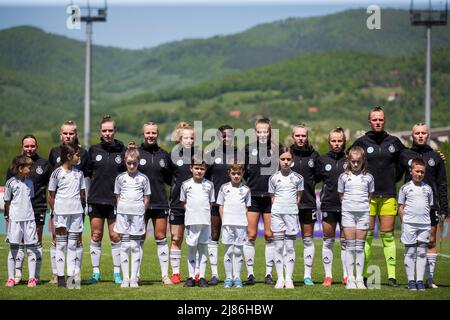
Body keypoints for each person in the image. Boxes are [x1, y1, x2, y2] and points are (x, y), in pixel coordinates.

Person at [350, 105, 405, 287]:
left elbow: (407, 159)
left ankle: (391, 277)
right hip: (368, 197)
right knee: (366, 237)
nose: (378, 122)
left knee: (388, 236)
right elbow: (348, 162)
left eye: (380, 119)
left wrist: (392, 178)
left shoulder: (394, 142)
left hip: (388, 194)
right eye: (374, 119)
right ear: (369, 121)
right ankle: (363, 276)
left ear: (384, 120)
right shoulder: (361, 142)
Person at [399, 123, 448, 288]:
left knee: (430, 242)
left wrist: (444, 207)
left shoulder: (435, 156)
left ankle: (429, 279)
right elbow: (392, 171)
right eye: (417, 133)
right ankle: (413, 280)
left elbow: (442, 183)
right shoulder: (404, 154)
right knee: (412, 245)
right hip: (411, 208)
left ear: (428, 135)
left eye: (423, 133)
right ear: (412, 135)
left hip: (431, 207)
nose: (420, 135)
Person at [86, 115, 126, 284]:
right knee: (96, 235)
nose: (108, 133)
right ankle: (96, 273)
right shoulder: (93, 150)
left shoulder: (122, 151)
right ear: (100, 132)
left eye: (110, 130)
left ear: (115, 131)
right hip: (95, 199)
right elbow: (85, 173)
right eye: (104, 130)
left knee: (115, 236)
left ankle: (117, 273)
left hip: (115, 201)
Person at [6, 135, 51, 285]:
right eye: (26, 146)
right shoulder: (15, 164)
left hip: (37, 208)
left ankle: (35, 276)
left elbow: (51, 187)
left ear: (36, 147)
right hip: (18, 212)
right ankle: (17, 274)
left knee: (35, 242)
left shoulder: (44, 163)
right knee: (18, 243)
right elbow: (9, 192)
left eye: (32, 146)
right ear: (22, 147)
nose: (29, 149)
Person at [48, 120, 89, 284]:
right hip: (60, 210)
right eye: (65, 133)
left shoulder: (80, 167)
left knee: (74, 242)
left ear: (75, 135)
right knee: (59, 242)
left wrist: (83, 208)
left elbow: (82, 190)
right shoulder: (55, 161)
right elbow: (51, 191)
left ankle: (74, 276)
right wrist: (53, 210)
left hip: (76, 211)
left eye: (71, 133)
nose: (68, 136)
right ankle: (58, 276)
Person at [137, 122, 173, 284]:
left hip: (160, 202)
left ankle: (165, 275)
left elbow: (171, 179)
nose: (150, 135)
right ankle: (135, 274)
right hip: (139, 204)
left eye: (153, 133)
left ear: (157, 134)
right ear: (143, 134)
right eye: (147, 133)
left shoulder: (164, 155)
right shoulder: (135, 153)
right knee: (139, 237)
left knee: (160, 237)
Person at [243, 117, 278, 285]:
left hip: (271, 198)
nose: (262, 134)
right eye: (259, 131)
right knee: (250, 235)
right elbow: (241, 171)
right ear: (255, 132)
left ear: (270, 132)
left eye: (265, 131)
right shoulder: (248, 149)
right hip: (253, 197)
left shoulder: (276, 149)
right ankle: (250, 274)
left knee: (270, 235)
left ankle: (268, 274)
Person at [205, 124, 238, 285]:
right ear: (218, 137)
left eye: (229, 135)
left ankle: (234, 275)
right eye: (224, 135)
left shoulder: (239, 154)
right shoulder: (211, 154)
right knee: (214, 235)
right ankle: (215, 274)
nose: (227, 138)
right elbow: (204, 177)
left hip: (235, 203)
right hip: (215, 203)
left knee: (235, 238)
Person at [114, 148, 151, 288]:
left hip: (137, 215)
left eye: (134, 163)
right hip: (123, 214)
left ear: (138, 162)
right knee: (124, 246)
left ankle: (134, 278)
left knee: (135, 246)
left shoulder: (143, 178)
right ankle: (125, 278)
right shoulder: (120, 178)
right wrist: (120, 210)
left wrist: (141, 211)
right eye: (129, 163)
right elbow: (117, 196)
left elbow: (147, 197)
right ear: (125, 161)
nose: (131, 166)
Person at [338, 146, 374, 289]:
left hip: (363, 214)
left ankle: (359, 278)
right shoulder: (344, 177)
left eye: (358, 161)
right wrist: (349, 207)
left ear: (363, 161)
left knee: (360, 247)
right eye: (353, 161)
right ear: (349, 161)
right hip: (348, 214)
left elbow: (369, 197)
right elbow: (341, 196)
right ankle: (350, 278)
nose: (355, 164)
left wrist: (362, 207)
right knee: (350, 247)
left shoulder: (369, 178)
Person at [268, 147, 304, 289]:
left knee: (289, 247)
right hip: (277, 214)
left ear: (292, 160)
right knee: (278, 246)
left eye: (288, 159)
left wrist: (291, 209)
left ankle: (288, 278)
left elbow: (298, 197)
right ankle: (280, 278)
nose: (285, 162)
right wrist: (278, 209)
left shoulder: (298, 178)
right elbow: (273, 197)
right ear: (278, 160)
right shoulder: (273, 178)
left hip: (291, 214)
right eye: (283, 159)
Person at [289, 124, 320, 286]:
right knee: (290, 241)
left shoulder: (314, 156)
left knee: (308, 240)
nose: (301, 138)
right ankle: (289, 275)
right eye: (298, 135)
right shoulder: (286, 154)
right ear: (292, 137)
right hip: (289, 205)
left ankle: (307, 276)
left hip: (308, 203)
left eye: (303, 136)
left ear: (307, 137)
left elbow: (320, 176)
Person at [317, 127, 348, 286]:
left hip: (347, 207)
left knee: (345, 242)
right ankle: (328, 276)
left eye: (339, 141)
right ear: (329, 142)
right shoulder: (322, 160)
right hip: (328, 205)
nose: (337, 143)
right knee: (328, 241)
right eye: (334, 141)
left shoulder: (350, 160)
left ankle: (346, 276)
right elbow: (311, 178)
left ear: (344, 142)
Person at [398, 158, 433, 291]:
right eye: (417, 171)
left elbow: (429, 207)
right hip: (409, 225)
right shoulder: (405, 188)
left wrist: (425, 220)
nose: (419, 174)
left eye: (422, 172)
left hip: (424, 225)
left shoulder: (428, 189)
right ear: (411, 171)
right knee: (411, 252)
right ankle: (411, 281)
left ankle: (419, 281)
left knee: (422, 252)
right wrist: (404, 223)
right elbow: (401, 207)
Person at [4, 155, 39, 287]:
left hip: (29, 219)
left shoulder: (30, 182)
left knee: (31, 249)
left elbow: (30, 199)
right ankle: (11, 278)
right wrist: (8, 216)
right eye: (29, 168)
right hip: (15, 220)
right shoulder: (10, 183)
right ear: (20, 168)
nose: (31, 170)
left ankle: (31, 278)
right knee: (14, 249)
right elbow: (7, 202)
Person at [180, 157, 215, 288]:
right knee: (191, 249)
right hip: (191, 221)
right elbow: (183, 202)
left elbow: (210, 203)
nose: (199, 171)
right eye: (196, 168)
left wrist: (203, 214)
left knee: (203, 248)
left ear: (205, 170)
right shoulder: (186, 184)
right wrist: (192, 213)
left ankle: (201, 277)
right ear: (191, 168)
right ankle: (190, 277)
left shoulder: (209, 185)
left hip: (205, 222)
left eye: (202, 168)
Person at [216, 163, 251, 288]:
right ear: (229, 173)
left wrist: (244, 222)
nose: (236, 176)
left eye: (239, 174)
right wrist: (224, 221)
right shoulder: (224, 188)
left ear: (242, 174)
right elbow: (221, 206)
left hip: (241, 224)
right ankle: (228, 278)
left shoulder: (246, 189)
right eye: (233, 173)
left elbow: (247, 208)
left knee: (238, 251)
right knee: (229, 251)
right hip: (227, 224)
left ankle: (237, 277)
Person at [168, 122, 195, 284]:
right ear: (179, 139)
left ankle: (195, 273)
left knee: (195, 241)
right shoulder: (172, 156)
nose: (189, 140)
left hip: (195, 206)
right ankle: (176, 273)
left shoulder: (199, 156)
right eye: (186, 138)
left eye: (192, 138)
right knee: (176, 238)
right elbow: (166, 177)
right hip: (177, 204)